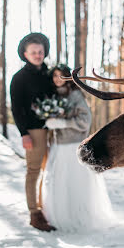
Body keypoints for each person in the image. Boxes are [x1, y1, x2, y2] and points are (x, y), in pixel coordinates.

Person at [42, 64, 113, 232]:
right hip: (58, 146)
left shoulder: (76, 96)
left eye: (61, 75)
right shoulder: (53, 97)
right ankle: (58, 215)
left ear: (68, 77)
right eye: (54, 76)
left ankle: (76, 216)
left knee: (74, 183)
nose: (57, 79)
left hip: (72, 146)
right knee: (58, 182)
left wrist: (63, 123)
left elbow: (84, 121)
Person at [10, 32, 56, 232]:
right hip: (33, 131)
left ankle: (48, 206)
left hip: (55, 129)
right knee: (34, 171)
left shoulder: (50, 74)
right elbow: (16, 108)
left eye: (40, 51)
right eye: (33, 52)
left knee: (52, 170)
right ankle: (34, 213)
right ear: (25, 54)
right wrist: (24, 133)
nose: (38, 55)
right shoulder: (19, 78)